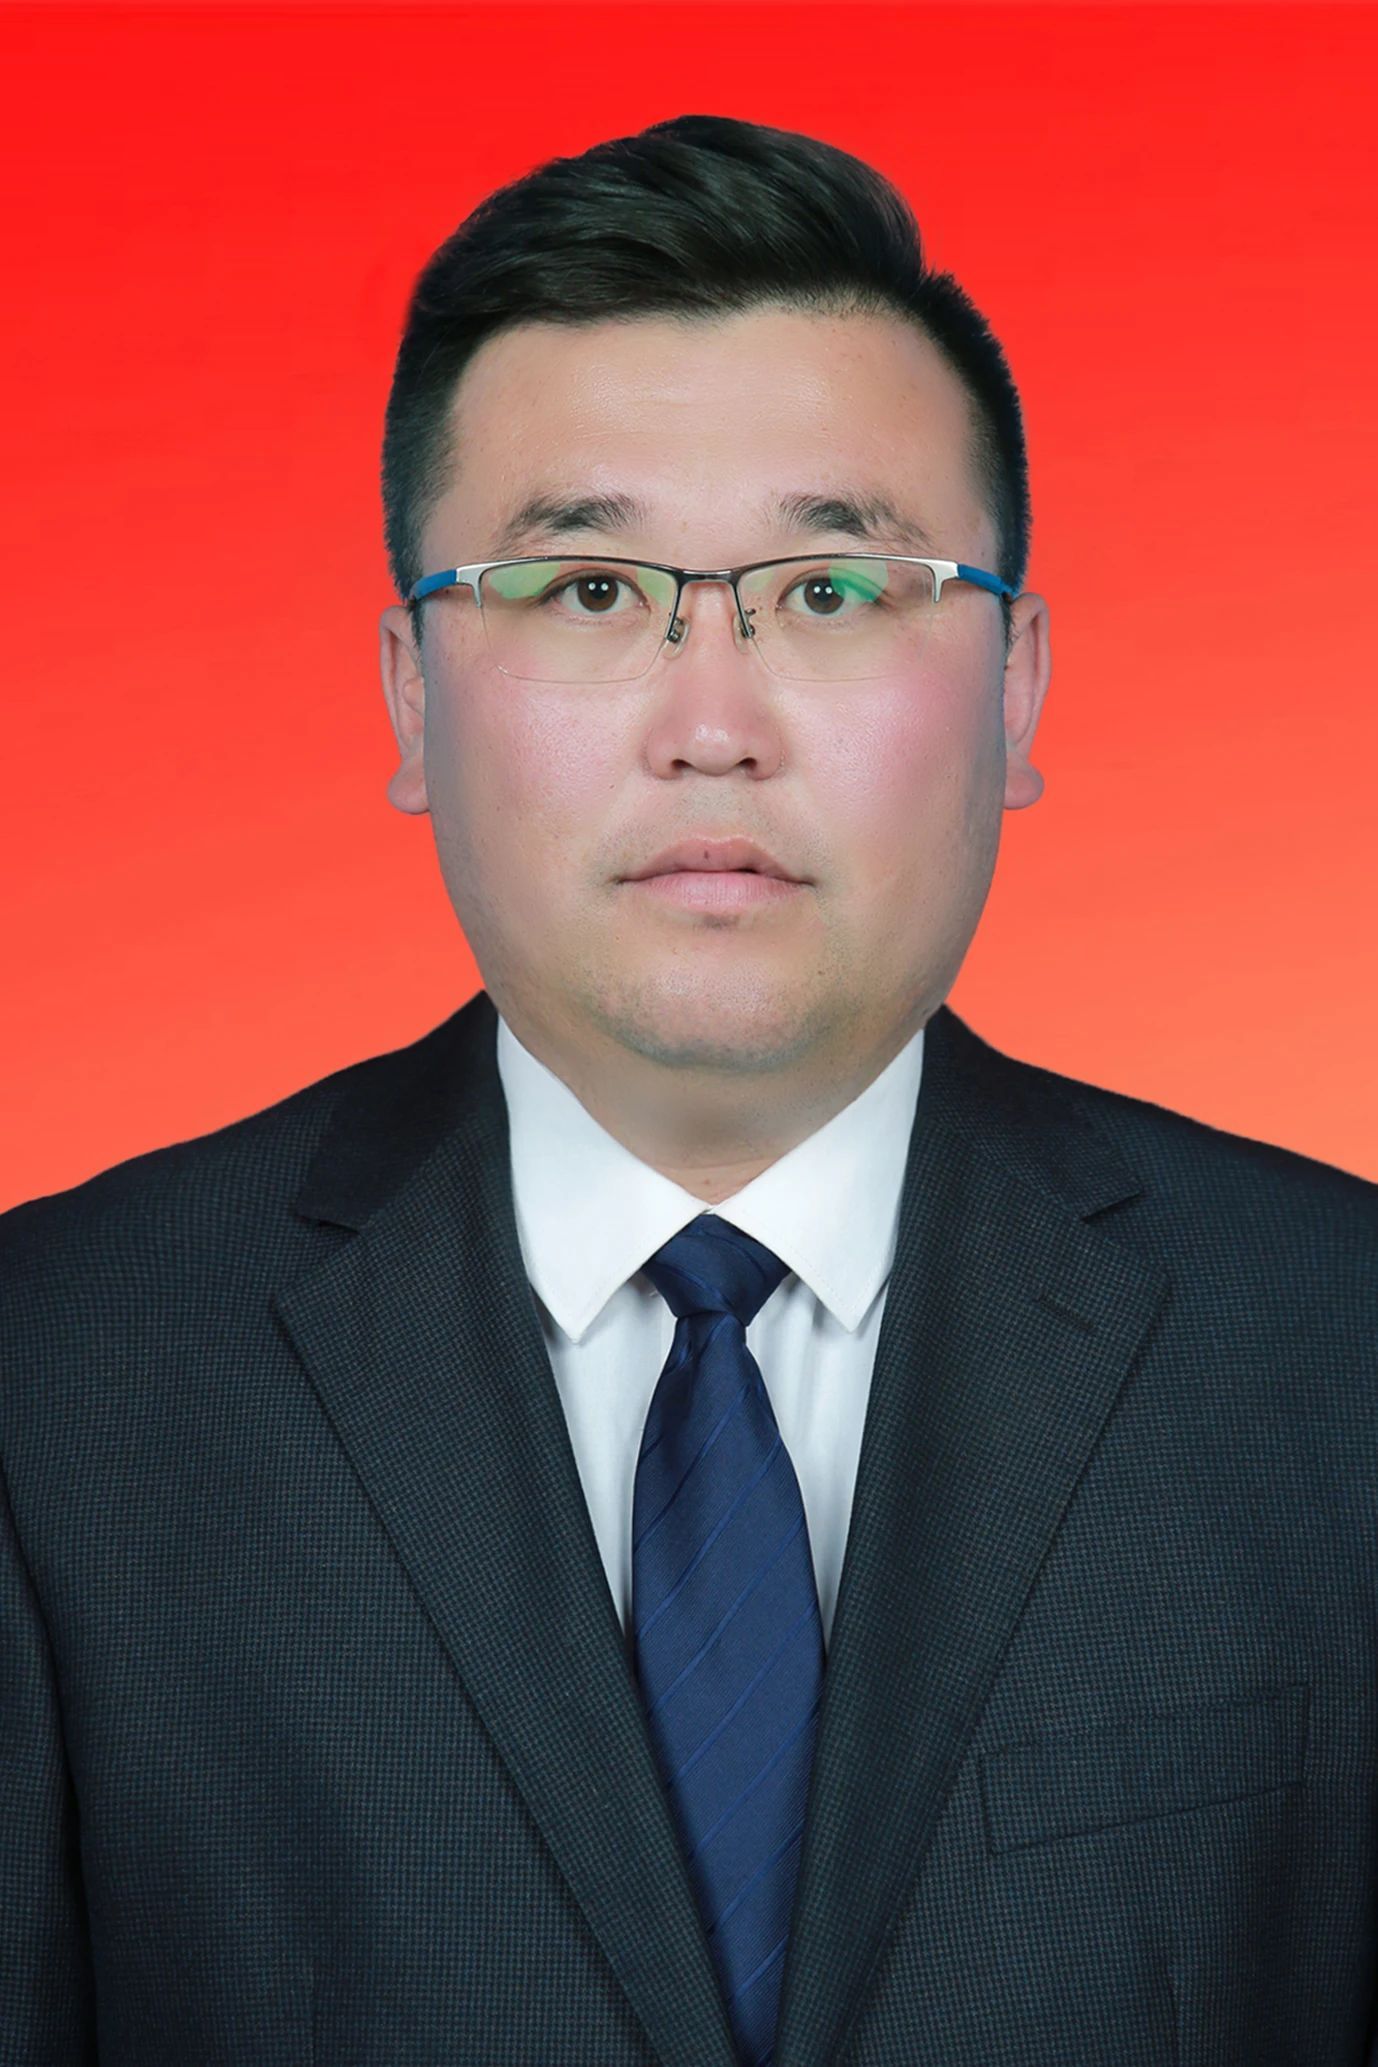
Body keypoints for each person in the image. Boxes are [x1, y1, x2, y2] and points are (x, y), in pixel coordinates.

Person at [1, 110, 1375, 2067]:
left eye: (831, 593)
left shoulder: (1334, 1350)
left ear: (1012, 688)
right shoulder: (57, 1382)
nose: (710, 725)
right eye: (585, 592)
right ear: (410, 694)